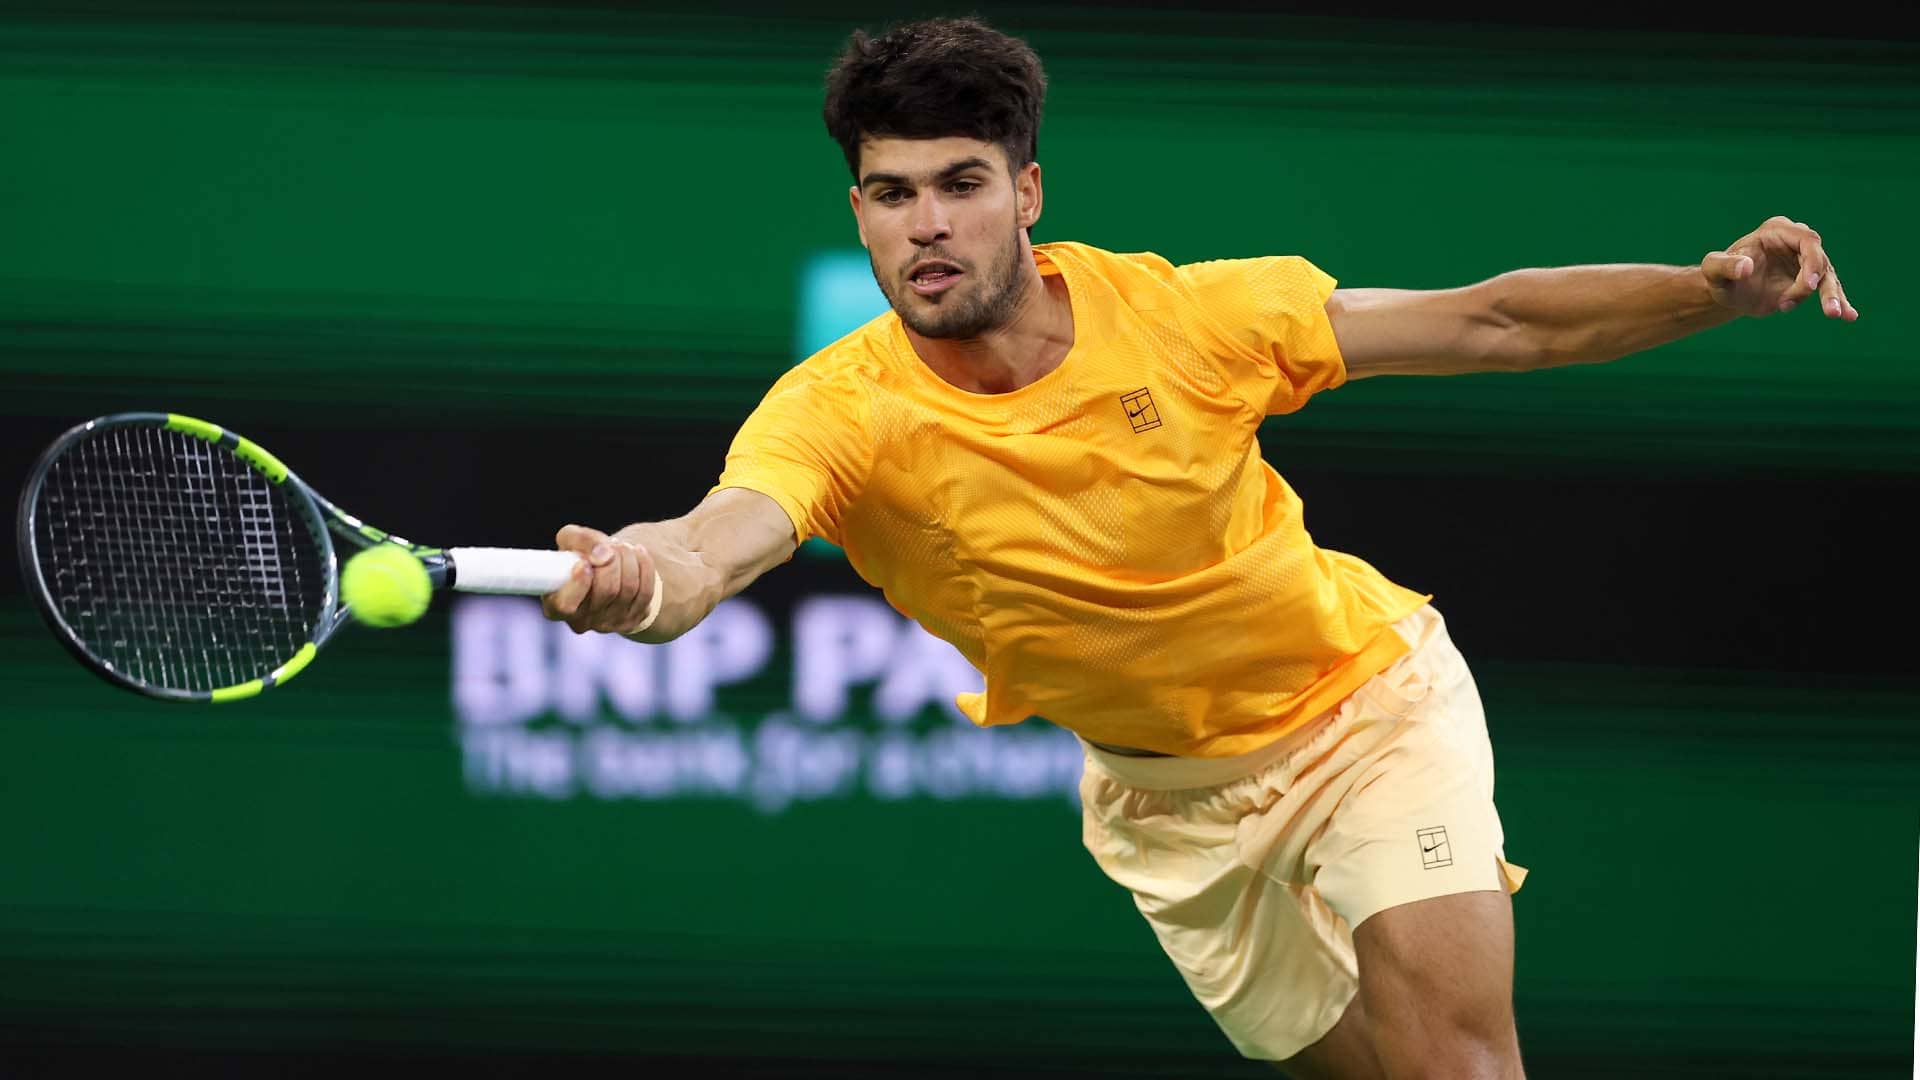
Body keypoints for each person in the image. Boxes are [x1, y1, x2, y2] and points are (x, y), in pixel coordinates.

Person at [539, 17, 1856, 1079]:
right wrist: (650, 576)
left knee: (1454, 1061)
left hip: (1362, 711)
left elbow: (1497, 323)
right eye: (891, 194)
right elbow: (719, 540)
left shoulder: (1190, 317)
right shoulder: (837, 411)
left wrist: (1712, 293)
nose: (924, 225)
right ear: (860, 210)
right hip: (1169, 815)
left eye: (960, 185)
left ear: (1026, 192)